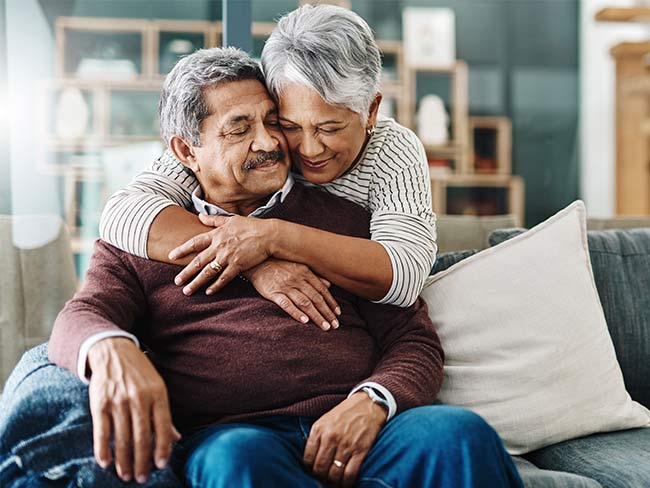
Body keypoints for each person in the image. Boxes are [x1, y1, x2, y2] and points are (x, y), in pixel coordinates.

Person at [2, 47, 523, 488]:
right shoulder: (144, 236)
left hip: (362, 431)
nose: (270, 142)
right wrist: (111, 351)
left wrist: (373, 401)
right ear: (187, 150)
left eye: (272, 122)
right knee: (238, 461)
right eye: (239, 129)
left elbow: (414, 340)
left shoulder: (340, 222)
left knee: (459, 435)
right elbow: (78, 319)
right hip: (236, 436)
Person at [99, 4, 437, 331]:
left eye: (328, 128)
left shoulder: (392, 150)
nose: (308, 149)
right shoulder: (252, 143)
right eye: (288, 125)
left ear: (372, 111)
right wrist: (257, 261)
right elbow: (122, 214)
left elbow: (404, 276)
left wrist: (273, 237)